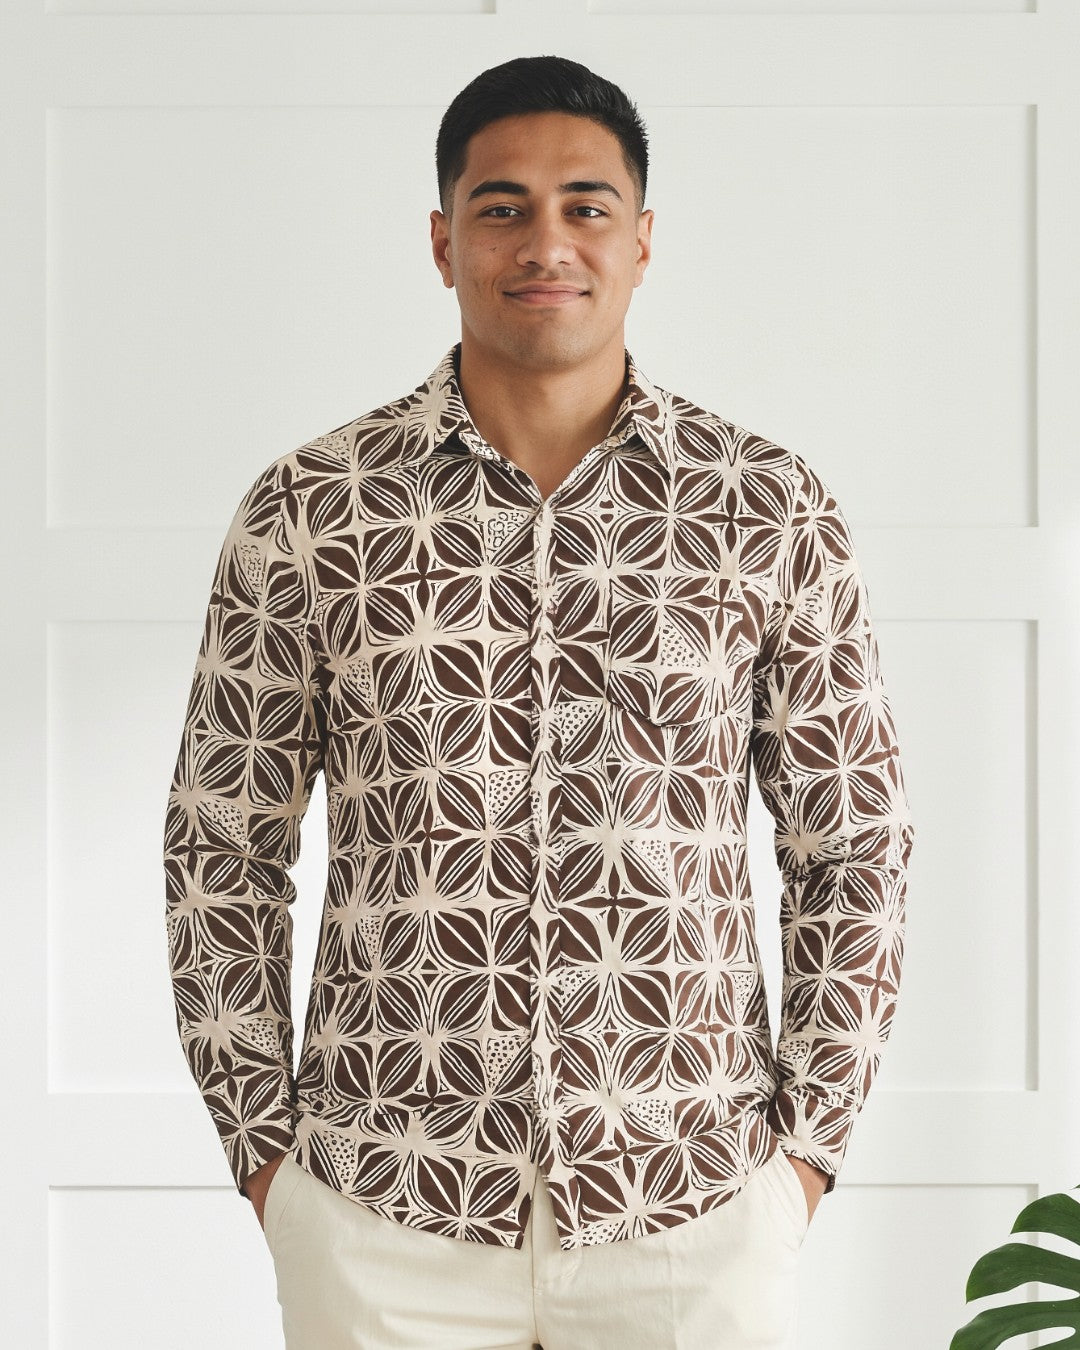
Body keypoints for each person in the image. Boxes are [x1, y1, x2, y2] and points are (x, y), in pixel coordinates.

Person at [164, 54, 914, 1350]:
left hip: (687, 1198)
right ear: (444, 240)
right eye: (503, 207)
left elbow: (851, 843)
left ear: (642, 239)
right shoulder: (311, 511)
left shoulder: (764, 505)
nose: (546, 240)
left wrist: (799, 1164)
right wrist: (267, 1161)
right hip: (382, 1202)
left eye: (587, 204)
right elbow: (220, 846)